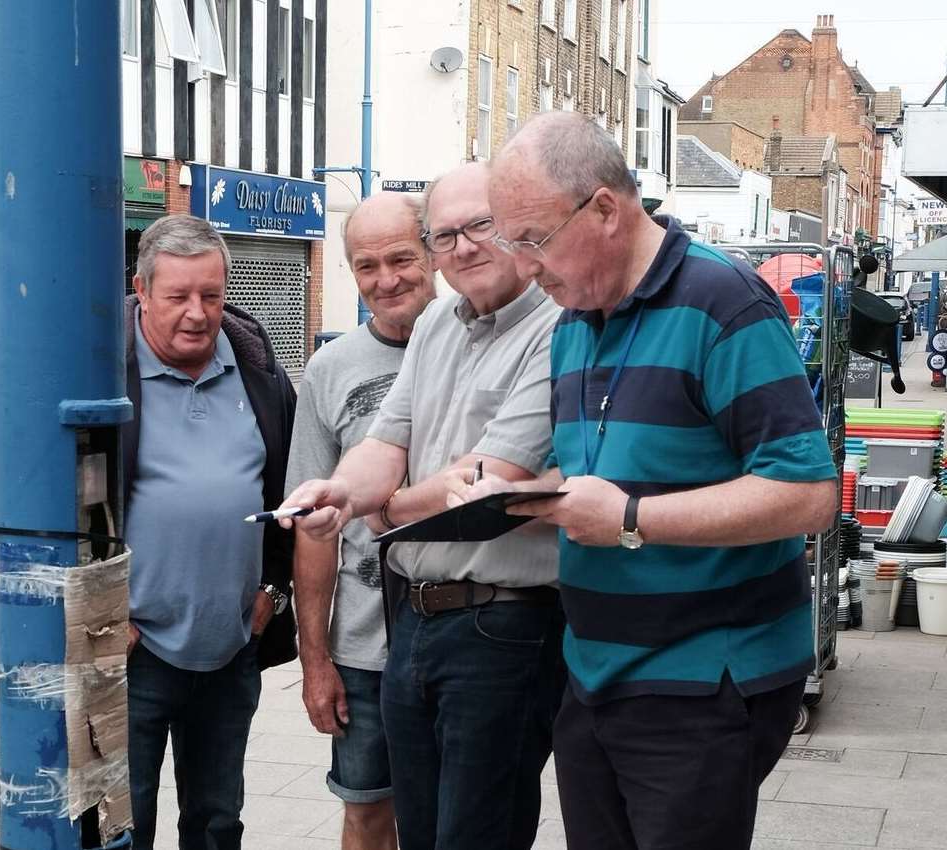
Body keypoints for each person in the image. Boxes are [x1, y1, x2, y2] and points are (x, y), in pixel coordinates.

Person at [460, 110, 838, 850]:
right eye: (514, 243)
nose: (526, 267)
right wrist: (522, 499)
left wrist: (632, 518)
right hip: (596, 672)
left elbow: (807, 494)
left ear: (604, 208)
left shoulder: (725, 303)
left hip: (702, 679)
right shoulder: (577, 317)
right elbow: (608, 469)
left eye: (533, 240)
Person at [281, 162, 563, 850]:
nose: (463, 247)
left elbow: (492, 477)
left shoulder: (557, 325)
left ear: (516, 226)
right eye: (446, 235)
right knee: (418, 830)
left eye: (480, 226)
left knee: (473, 835)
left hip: (503, 624)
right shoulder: (439, 322)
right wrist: (340, 495)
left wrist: (386, 509)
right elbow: (385, 440)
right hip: (416, 619)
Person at [121, 214, 298, 850]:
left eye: (212, 296)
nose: (198, 313)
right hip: (133, 654)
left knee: (218, 824)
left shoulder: (258, 373)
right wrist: (100, 618)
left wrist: (273, 593)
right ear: (141, 291)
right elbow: (68, 511)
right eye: (177, 297)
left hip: (229, 648)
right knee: (124, 827)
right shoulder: (106, 372)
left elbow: (286, 498)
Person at [286, 192, 436, 850]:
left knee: (462, 817)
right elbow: (312, 533)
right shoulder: (330, 369)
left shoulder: (479, 348)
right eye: (366, 265)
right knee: (368, 812)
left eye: (402, 258)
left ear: (434, 253)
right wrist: (315, 661)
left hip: (465, 633)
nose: (386, 279)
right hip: (365, 652)